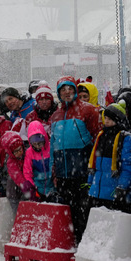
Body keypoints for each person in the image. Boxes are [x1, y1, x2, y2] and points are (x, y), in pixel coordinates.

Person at [49, 76, 101, 244]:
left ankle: (86, 244)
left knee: (84, 211)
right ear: (58, 93)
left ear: (75, 90)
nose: (67, 92)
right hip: (63, 174)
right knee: (68, 213)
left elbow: (97, 139)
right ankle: (71, 244)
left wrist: (95, 167)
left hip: (82, 172)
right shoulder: (55, 116)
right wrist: (53, 171)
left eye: (70, 88)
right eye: (63, 90)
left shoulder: (88, 110)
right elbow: (53, 147)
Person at [87, 103, 131, 213]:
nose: (106, 121)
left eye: (110, 119)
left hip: (113, 190)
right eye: (105, 118)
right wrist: (90, 183)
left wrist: (122, 186)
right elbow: (94, 162)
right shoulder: (101, 135)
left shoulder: (125, 138)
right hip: (97, 190)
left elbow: (128, 165)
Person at [1, 130, 34, 217]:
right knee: (18, 213)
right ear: (11, 152)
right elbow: (18, 177)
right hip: (14, 192)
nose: (19, 152)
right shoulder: (11, 162)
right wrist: (26, 185)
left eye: (20, 149)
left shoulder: (27, 154)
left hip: (26, 190)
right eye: (15, 151)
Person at [24, 120, 54, 200]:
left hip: (52, 187)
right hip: (38, 187)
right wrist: (32, 187)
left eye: (40, 143)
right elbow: (27, 172)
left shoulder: (51, 148)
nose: (38, 146)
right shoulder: (29, 153)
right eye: (35, 144)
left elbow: (54, 165)